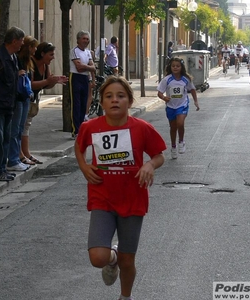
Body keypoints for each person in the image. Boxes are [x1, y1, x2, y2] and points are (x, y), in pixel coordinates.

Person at [74, 76, 166, 300]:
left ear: (130, 101)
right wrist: (84, 167)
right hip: (102, 197)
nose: (115, 100)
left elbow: (158, 155)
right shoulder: (91, 127)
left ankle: (125, 297)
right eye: (109, 96)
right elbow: (79, 147)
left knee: (128, 260)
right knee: (98, 258)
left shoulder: (142, 128)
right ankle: (110, 258)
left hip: (133, 198)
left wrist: (149, 164)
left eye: (120, 96)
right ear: (102, 103)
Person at [0, 26, 25, 181]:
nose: (22, 44)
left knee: (6, 138)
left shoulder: (13, 57)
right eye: (21, 41)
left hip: (9, 104)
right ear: (14, 41)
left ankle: (2, 167)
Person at [21, 42, 68, 164]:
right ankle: (22, 155)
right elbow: (30, 84)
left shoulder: (46, 65)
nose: (53, 57)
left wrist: (55, 81)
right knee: (21, 127)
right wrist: (48, 80)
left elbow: (46, 85)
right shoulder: (31, 63)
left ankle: (25, 153)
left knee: (26, 126)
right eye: (51, 54)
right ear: (42, 54)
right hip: (24, 98)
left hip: (32, 99)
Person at [157, 57, 200, 159]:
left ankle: (181, 141)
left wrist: (196, 101)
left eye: (177, 66)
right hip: (171, 106)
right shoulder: (167, 80)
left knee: (180, 123)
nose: (175, 68)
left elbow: (192, 90)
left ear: (181, 67)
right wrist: (164, 97)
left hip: (182, 105)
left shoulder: (186, 79)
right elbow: (159, 92)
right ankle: (173, 147)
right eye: (173, 66)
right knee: (173, 127)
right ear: (170, 67)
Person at [7, 36, 37, 171]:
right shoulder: (17, 58)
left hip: (25, 96)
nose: (35, 49)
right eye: (34, 47)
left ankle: (18, 156)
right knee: (15, 129)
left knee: (20, 128)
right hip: (19, 96)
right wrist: (17, 74)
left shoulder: (27, 61)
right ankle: (14, 158)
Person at [69, 30, 96, 139]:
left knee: (84, 104)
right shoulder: (74, 51)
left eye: (87, 39)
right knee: (76, 104)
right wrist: (88, 67)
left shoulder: (88, 52)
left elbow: (93, 67)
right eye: (84, 38)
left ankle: (82, 128)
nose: (86, 41)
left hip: (85, 78)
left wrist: (92, 77)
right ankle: (75, 130)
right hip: (76, 77)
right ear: (78, 40)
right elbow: (78, 68)